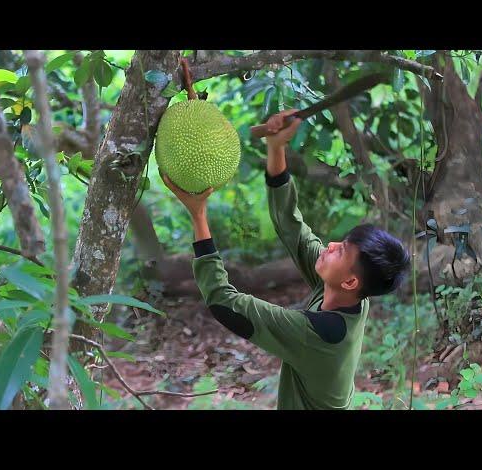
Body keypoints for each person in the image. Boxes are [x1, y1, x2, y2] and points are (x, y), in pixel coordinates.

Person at [161, 109, 411, 410]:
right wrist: (276, 146)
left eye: (341, 251)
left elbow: (224, 303)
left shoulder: (316, 335)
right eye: (339, 243)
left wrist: (198, 214)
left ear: (350, 280)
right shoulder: (353, 296)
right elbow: (292, 227)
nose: (329, 246)